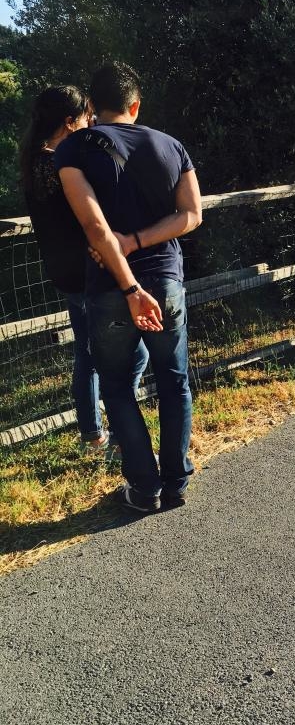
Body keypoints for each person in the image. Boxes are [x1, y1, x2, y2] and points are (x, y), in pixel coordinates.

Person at [56, 62, 202, 513]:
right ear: (135, 105)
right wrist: (138, 242)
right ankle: (176, 483)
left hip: (110, 289)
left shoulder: (73, 149)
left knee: (117, 387)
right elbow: (192, 215)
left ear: (92, 106)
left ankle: (144, 488)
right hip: (167, 279)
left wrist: (130, 286)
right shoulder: (172, 146)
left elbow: (95, 228)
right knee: (174, 381)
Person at [19, 86, 148, 451]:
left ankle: (93, 433)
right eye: (85, 117)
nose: (90, 121)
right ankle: (120, 433)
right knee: (132, 354)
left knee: (87, 352)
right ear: (69, 121)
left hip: (64, 270)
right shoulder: (61, 164)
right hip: (90, 269)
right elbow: (89, 216)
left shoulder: (33, 161)